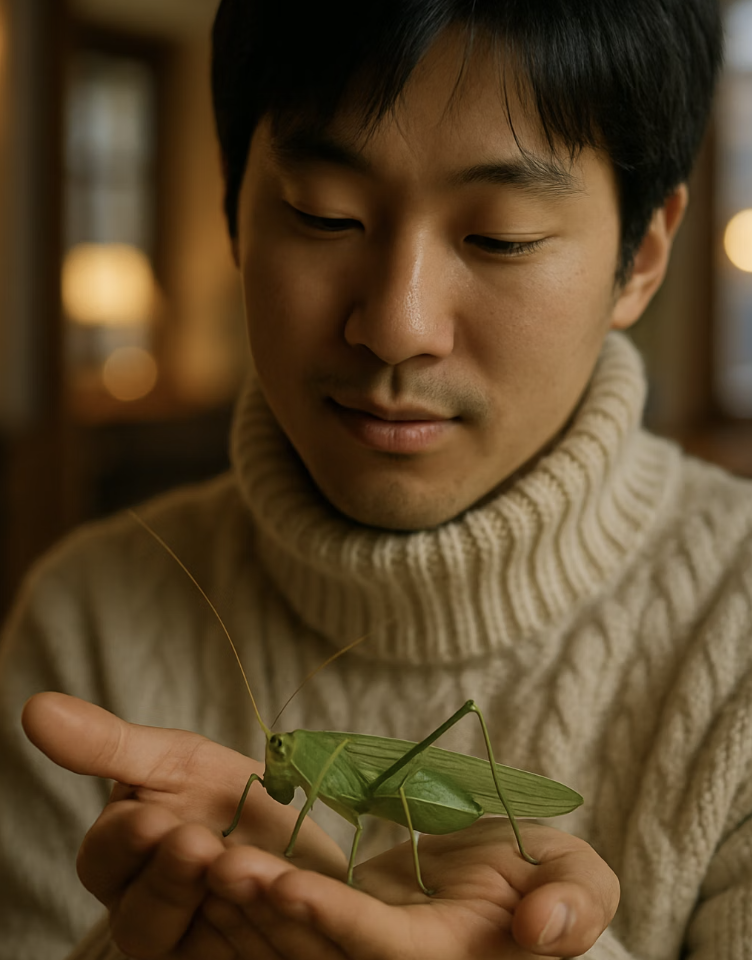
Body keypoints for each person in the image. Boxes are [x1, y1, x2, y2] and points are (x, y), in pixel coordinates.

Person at [1, 0, 747, 957]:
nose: (398, 326)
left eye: (502, 235)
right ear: (232, 208)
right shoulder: (82, 623)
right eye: (325, 213)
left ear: (641, 259)